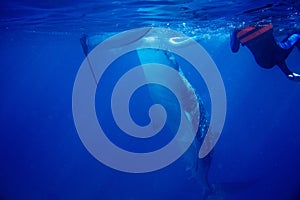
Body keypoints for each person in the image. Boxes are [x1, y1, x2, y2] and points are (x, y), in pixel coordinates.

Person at [230, 24, 300, 81]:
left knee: (273, 55)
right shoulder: (262, 20)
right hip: (279, 52)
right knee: (296, 33)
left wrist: (233, 34)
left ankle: (288, 73)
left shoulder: (237, 31)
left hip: (263, 62)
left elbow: (234, 49)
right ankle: (288, 72)